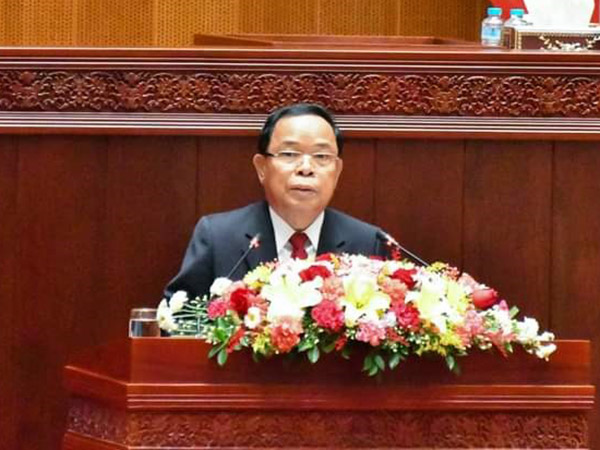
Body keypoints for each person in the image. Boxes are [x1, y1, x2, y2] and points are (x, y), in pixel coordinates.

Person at [164, 103, 388, 299]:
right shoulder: (218, 237)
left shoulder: (368, 242)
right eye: (289, 154)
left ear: (337, 171)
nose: (306, 168)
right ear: (262, 167)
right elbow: (178, 321)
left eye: (321, 156)